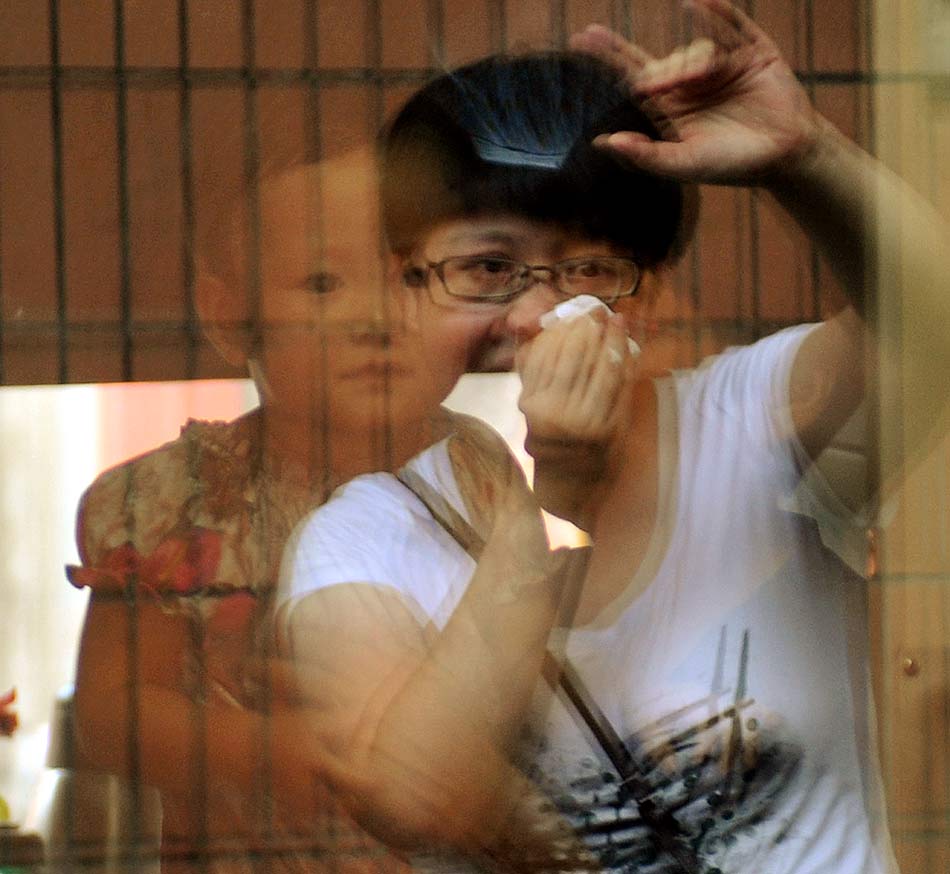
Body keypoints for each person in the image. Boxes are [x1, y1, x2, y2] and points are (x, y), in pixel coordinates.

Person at [279, 1, 949, 873]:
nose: (531, 316)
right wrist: (558, 492)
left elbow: (932, 325)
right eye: (485, 269)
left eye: (588, 272)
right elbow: (415, 796)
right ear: (408, 292)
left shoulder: (755, 424)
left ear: (652, 299)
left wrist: (807, 157)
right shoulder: (361, 539)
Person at [65, 145, 496, 873]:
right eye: (325, 283)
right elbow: (110, 714)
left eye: (413, 278)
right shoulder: (168, 502)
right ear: (231, 315)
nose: (378, 316)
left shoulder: (476, 469)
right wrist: (262, 750)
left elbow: (515, 645)